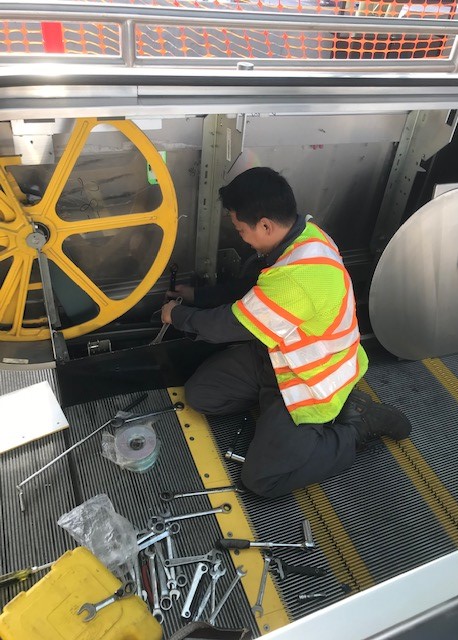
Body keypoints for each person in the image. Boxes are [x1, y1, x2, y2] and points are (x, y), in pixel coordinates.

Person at [161, 167, 412, 498]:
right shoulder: (304, 237)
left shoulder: (296, 279)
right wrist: (198, 297)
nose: (241, 238)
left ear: (265, 225)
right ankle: (283, 421)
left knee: (262, 479)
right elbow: (252, 290)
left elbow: (228, 325)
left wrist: (177, 315)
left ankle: (355, 427)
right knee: (201, 395)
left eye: (241, 230)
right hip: (275, 359)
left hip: (307, 383)